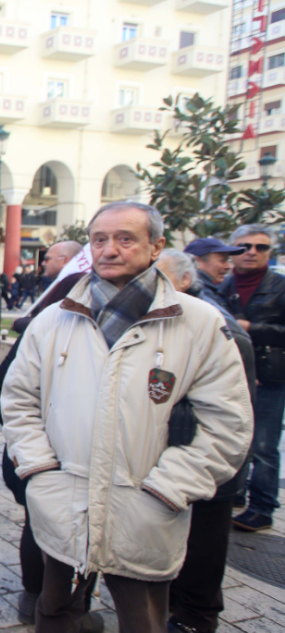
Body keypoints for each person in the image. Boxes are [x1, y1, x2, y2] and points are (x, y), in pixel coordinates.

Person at [2, 202, 252, 633]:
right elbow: (19, 400)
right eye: (100, 239)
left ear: (156, 247)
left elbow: (227, 424)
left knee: (143, 621)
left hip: (145, 511)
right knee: (56, 613)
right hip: (65, 506)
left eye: (125, 238)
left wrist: (169, 488)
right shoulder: (53, 320)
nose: (110, 250)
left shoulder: (199, 324)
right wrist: (41, 473)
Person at [0, 247, 95, 630]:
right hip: (43, 461)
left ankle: (69, 605)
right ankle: (41, 600)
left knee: (80, 531)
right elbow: (1, 394)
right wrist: (37, 456)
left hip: (92, 466)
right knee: (42, 522)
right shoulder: (49, 326)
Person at [157, 249, 256, 633]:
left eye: (161, 278)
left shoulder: (217, 325)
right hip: (177, 455)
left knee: (203, 545)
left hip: (209, 461)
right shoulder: (173, 316)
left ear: (185, 279)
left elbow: (232, 417)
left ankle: (195, 617)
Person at [220, 224, 285, 532]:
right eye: (245, 246)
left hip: (269, 377)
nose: (252, 253)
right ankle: (237, 493)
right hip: (232, 376)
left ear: (270, 253)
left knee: (263, 444)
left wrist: (250, 327)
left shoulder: (280, 287)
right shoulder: (224, 283)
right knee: (233, 437)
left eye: (261, 248)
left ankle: (262, 506)